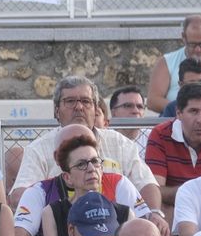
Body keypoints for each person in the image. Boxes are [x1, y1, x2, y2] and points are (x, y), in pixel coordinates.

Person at [11, 77, 161, 212]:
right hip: (60, 226)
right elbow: (19, 196)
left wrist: (154, 213)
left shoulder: (120, 144)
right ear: (57, 111)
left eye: (85, 101)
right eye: (70, 101)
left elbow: (146, 184)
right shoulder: (38, 149)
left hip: (117, 225)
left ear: (96, 109)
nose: (79, 107)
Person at [20, 129, 151, 236]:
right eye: (81, 164)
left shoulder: (124, 213)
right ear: (67, 177)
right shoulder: (52, 213)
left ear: (101, 169)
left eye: (95, 161)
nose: (91, 169)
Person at [144, 82, 201, 212]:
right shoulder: (160, 134)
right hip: (175, 210)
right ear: (179, 113)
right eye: (193, 111)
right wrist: (200, 192)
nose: (200, 120)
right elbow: (156, 190)